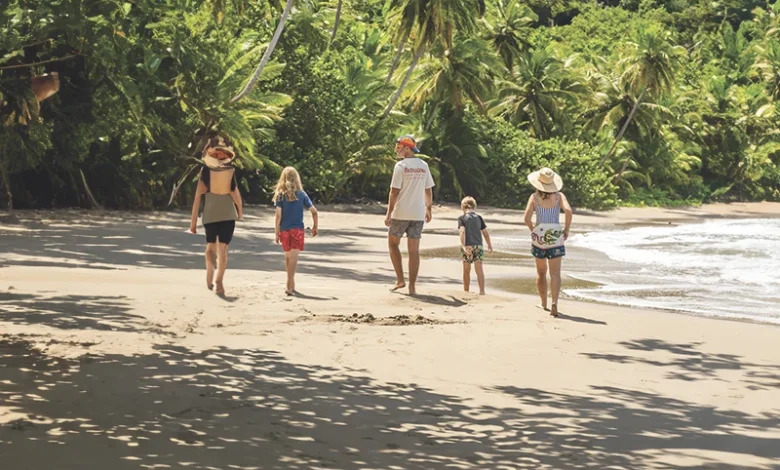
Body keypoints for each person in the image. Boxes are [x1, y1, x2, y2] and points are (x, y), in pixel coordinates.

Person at [189, 134, 243, 296]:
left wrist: (240, 212)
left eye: (222, 155)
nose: (220, 157)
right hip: (219, 215)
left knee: (217, 250)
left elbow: (198, 198)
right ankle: (213, 278)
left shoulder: (212, 173)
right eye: (218, 154)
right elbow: (236, 197)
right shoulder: (216, 172)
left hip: (219, 216)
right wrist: (239, 213)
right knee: (216, 249)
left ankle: (216, 279)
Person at [384, 135, 435, 296]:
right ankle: (412, 287)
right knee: (414, 250)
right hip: (418, 213)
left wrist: (388, 213)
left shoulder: (401, 166)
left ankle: (400, 280)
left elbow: (394, 191)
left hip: (401, 212)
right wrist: (429, 209)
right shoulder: (423, 165)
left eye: (399, 146)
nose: (396, 149)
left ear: (407, 148)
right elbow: (428, 190)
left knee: (393, 244)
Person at [524, 167, 572, 317]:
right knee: (555, 273)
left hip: (540, 235)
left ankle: (543, 303)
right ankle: (554, 303)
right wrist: (566, 229)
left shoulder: (534, 197)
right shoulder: (559, 197)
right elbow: (569, 211)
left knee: (541, 271)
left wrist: (534, 230)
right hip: (555, 234)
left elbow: (526, 219)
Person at [274, 167, 319, 296]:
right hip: (297, 230)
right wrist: (315, 226)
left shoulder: (280, 195)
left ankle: (291, 284)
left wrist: (276, 231)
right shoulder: (302, 195)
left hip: (284, 230)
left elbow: (278, 215)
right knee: (293, 258)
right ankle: (289, 285)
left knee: (288, 257)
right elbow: (314, 211)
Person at [458, 196, 493, 295]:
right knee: (479, 269)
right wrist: (489, 245)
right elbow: (485, 233)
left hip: (468, 246)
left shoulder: (462, 218)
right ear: (474, 207)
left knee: (466, 270)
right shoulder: (479, 218)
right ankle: (482, 291)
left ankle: (466, 290)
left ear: (462, 207)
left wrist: (463, 245)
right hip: (478, 246)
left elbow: (462, 232)